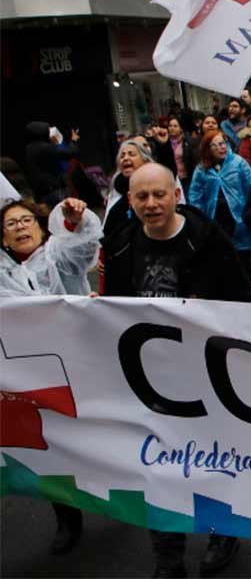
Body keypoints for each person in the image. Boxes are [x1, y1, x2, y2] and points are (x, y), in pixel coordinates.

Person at [102, 163, 251, 577]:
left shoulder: (209, 242)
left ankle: (223, 531)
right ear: (130, 201)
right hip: (147, 380)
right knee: (154, 467)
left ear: (176, 194)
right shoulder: (119, 246)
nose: (151, 204)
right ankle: (168, 557)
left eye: (159, 195)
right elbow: (109, 313)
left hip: (206, 376)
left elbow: (243, 303)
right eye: (141, 197)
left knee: (212, 458)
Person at [1, 196, 100, 556]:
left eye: (26, 220)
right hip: (31, 377)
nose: (20, 227)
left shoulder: (61, 256)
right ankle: (67, 516)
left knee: (96, 434)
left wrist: (78, 218)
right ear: (3, 239)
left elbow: (87, 243)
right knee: (51, 444)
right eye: (11, 224)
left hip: (78, 364)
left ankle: (121, 495)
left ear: (42, 227)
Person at [188, 131, 251, 267]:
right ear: (207, 148)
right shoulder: (201, 169)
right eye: (216, 145)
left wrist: (250, 212)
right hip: (215, 220)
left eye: (223, 143)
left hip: (238, 218)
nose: (221, 147)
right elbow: (195, 196)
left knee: (243, 259)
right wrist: (201, 218)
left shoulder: (238, 162)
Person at [166, 116, 196, 194]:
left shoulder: (188, 142)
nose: (172, 128)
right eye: (170, 126)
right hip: (171, 179)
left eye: (175, 126)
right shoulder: (165, 142)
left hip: (186, 178)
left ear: (181, 128)